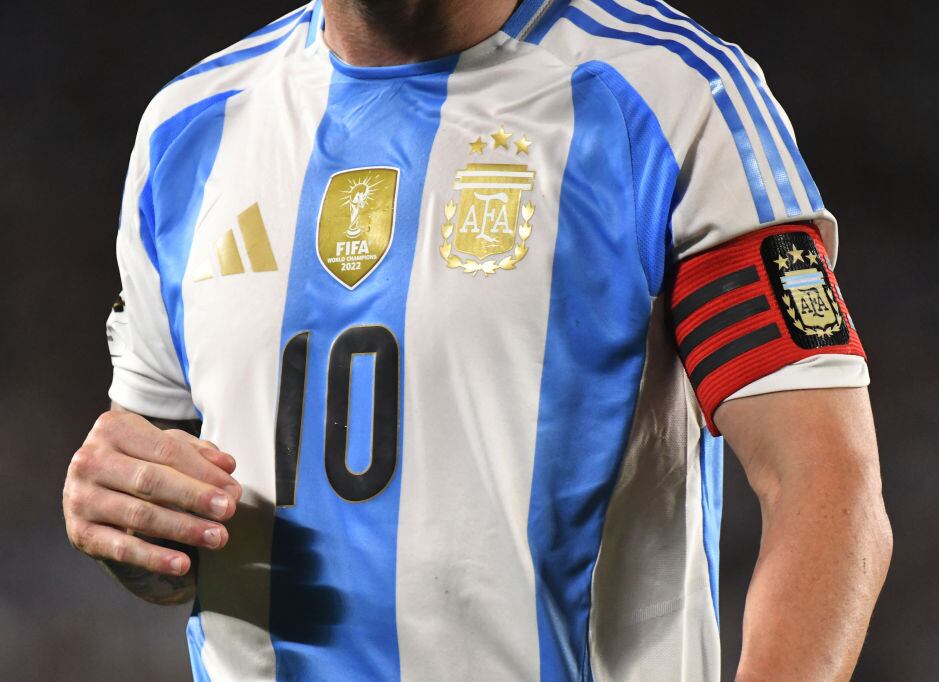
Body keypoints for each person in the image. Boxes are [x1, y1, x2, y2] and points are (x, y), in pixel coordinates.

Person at [62, 0, 892, 679]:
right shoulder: (189, 130)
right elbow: (168, 507)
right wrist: (123, 523)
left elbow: (826, 485)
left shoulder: (668, 99)